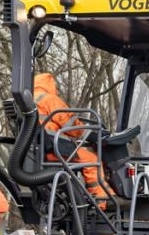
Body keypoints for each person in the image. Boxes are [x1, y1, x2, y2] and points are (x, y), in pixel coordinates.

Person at [32, 72, 110, 207]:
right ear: (50, 85)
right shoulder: (49, 99)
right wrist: (88, 132)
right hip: (55, 149)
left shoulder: (27, 101)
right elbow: (72, 126)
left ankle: (81, 197)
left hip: (38, 150)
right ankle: (102, 201)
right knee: (91, 160)